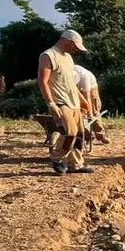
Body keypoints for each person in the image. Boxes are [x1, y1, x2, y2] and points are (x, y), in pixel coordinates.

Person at [38, 29, 94, 175]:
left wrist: (83, 101)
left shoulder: (68, 57)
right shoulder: (48, 56)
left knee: (80, 134)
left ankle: (75, 164)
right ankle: (57, 159)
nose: (76, 50)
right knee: (70, 133)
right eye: (75, 46)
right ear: (69, 42)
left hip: (74, 102)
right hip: (61, 102)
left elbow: (70, 83)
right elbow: (42, 81)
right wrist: (51, 103)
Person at [73, 64, 109, 144]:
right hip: (76, 89)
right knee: (80, 111)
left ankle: (100, 134)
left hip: (91, 88)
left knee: (94, 109)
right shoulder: (66, 73)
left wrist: (90, 114)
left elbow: (87, 98)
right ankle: (87, 135)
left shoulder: (84, 77)